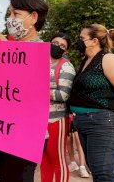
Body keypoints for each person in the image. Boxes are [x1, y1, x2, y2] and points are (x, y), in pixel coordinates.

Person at [0, 0, 49, 182]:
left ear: (34, 17)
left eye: (16, 14)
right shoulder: (7, 46)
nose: (10, 19)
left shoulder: (42, 52)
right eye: (9, 14)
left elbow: (28, 90)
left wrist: (8, 51)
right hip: (2, 130)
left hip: (26, 134)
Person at [68, 24, 114, 182]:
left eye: (81, 38)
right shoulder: (86, 61)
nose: (78, 41)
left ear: (94, 41)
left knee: (103, 173)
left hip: (103, 121)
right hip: (83, 122)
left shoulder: (108, 58)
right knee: (96, 169)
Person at [41, 33, 76, 182]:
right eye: (55, 43)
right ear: (50, 42)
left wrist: (39, 90)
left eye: (62, 46)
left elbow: (63, 95)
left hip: (56, 120)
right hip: (39, 120)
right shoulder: (40, 61)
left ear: (66, 51)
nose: (58, 47)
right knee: (43, 159)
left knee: (58, 158)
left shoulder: (66, 67)